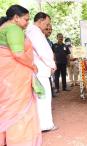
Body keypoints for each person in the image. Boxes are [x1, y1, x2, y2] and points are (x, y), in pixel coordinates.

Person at [0, 5, 42, 145]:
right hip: (15, 79)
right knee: (19, 110)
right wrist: (32, 65)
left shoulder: (4, 28)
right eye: (26, 19)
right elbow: (18, 54)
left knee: (6, 108)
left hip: (7, 77)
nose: (27, 22)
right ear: (16, 18)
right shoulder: (13, 29)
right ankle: (20, 141)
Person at [26, 12, 57, 132]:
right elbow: (43, 52)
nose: (48, 26)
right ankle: (45, 125)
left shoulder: (34, 31)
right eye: (47, 23)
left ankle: (41, 124)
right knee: (43, 98)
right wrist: (52, 64)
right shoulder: (34, 32)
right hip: (40, 70)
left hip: (39, 70)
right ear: (40, 20)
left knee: (40, 98)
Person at [43, 23, 56, 97]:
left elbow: (52, 53)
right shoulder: (40, 39)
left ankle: (51, 92)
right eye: (47, 29)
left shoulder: (50, 42)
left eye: (51, 29)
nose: (49, 31)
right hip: (42, 66)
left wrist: (53, 63)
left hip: (49, 65)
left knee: (50, 79)